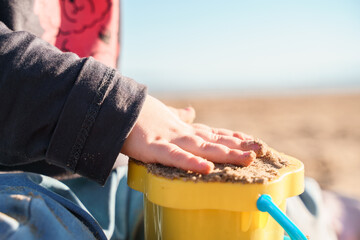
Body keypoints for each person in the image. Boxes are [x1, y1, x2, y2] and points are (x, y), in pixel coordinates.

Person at [0, 1, 357, 239]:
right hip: (16, 192)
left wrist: (135, 131)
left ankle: (321, 210)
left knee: (257, 202)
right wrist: (115, 110)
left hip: (94, 177)